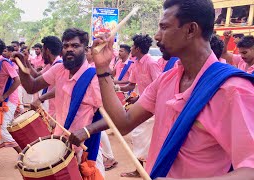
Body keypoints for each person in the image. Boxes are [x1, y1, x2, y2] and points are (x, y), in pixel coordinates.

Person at [92, 0, 254, 179]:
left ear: (191, 30)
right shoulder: (166, 80)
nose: (157, 36)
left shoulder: (234, 90)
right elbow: (123, 123)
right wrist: (102, 68)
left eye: (164, 27)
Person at [14, 28, 107, 179]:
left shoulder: (94, 78)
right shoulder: (59, 69)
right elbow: (32, 87)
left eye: (75, 46)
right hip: (61, 143)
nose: (69, 49)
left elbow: (113, 118)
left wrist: (87, 131)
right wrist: (22, 65)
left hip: (85, 149)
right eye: (66, 46)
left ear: (85, 48)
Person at [114, 34, 161, 178]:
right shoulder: (136, 64)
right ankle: (140, 170)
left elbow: (159, 87)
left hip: (151, 108)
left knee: (142, 137)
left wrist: (139, 98)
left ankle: (145, 171)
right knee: (138, 138)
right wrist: (116, 89)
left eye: (133, 47)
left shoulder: (151, 63)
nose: (131, 49)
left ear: (138, 49)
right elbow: (131, 84)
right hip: (141, 104)